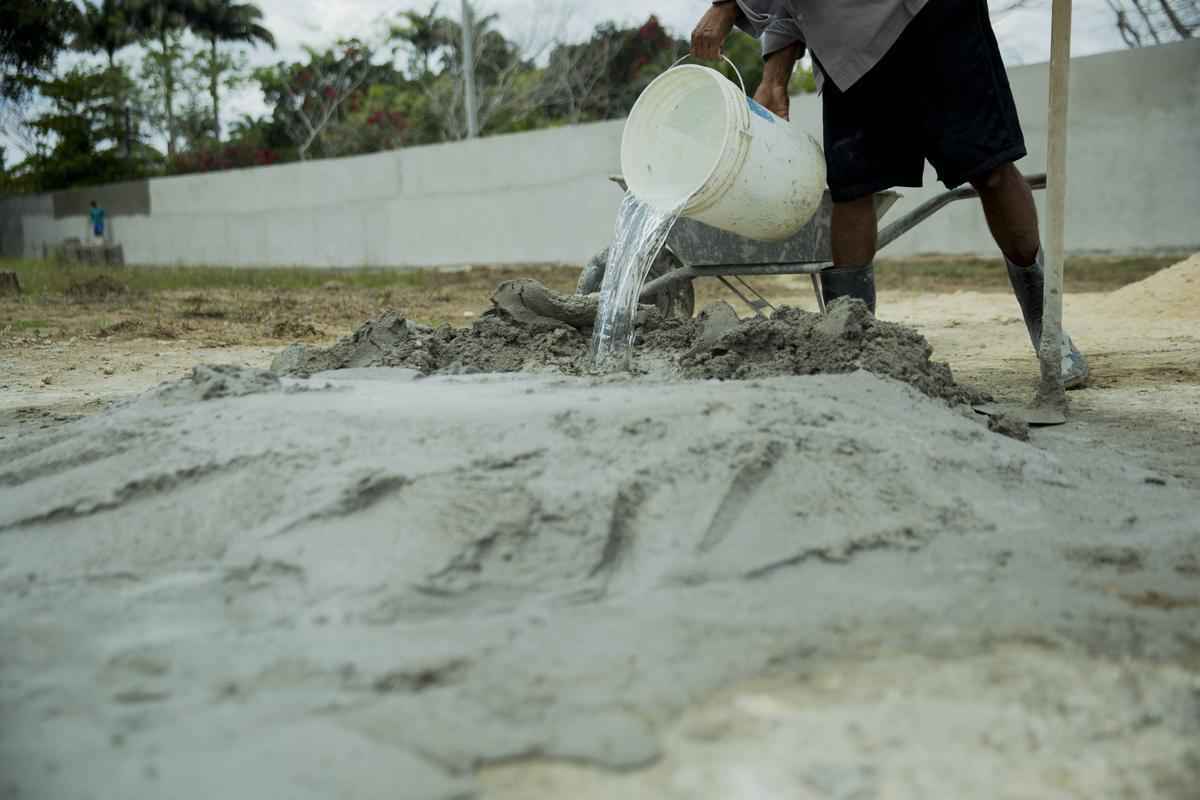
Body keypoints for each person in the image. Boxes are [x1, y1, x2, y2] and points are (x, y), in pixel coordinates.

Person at [690, 0, 1088, 388]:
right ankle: (852, 345)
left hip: (932, 18)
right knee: (852, 188)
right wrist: (774, 78)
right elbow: (794, 8)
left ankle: (1048, 327)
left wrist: (725, 6)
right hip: (846, 51)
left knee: (991, 169)